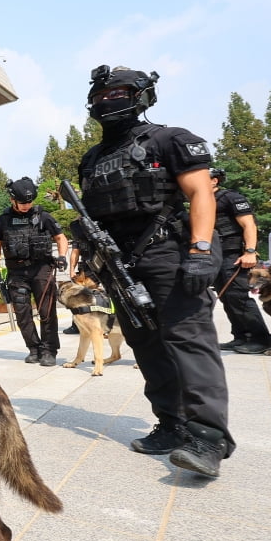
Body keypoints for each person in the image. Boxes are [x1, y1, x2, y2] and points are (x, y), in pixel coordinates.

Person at [77, 64, 233, 478]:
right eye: (102, 95)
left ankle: (208, 437)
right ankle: (172, 422)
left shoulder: (170, 138)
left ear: (143, 96)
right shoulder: (91, 159)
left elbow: (200, 191)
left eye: (121, 92)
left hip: (168, 249)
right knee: (144, 342)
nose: (110, 101)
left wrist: (201, 249)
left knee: (188, 338)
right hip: (120, 261)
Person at [0, 177, 69, 366]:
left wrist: (62, 256)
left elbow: (61, 238)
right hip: (16, 272)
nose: (26, 205)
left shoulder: (44, 216)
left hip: (42, 269)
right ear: (12, 199)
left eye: (29, 201)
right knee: (22, 311)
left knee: (46, 310)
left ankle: (49, 350)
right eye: (22, 202)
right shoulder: (3, 220)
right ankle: (34, 348)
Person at [209, 168, 271, 354]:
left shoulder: (231, 198)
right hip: (216, 253)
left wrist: (250, 251)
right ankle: (241, 336)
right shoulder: (201, 200)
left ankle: (261, 339)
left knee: (238, 295)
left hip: (234, 253)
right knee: (227, 296)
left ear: (215, 181)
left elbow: (249, 224)